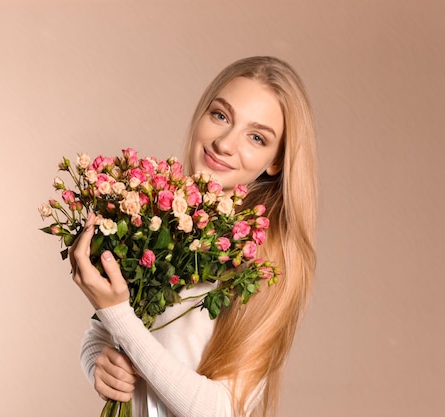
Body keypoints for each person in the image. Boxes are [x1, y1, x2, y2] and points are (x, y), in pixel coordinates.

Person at [69, 56, 317, 417]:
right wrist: (97, 360)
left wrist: (118, 316)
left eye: (257, 137)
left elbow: (221, 410)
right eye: (220, 116)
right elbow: (109, 330)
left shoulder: (266, 261)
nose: (225, 144)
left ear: (276, 161)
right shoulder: (159, 219)